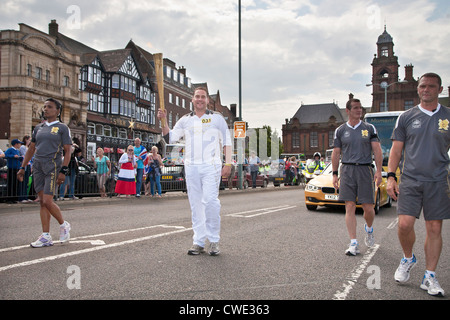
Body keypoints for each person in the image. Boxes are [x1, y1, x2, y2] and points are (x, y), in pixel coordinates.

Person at [387, 73, 449, 297]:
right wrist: (391, 176)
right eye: (422, 86)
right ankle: (408, 257)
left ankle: (430, 276)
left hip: (438, 180)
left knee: (434, 228)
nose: (426, 90)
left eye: (431, 86)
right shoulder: (405, 117)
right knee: (404, 225)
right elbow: (396, 150)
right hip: (411, 180)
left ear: (439, 89)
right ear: (418, 89)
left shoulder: (448, 117)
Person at [158, 86, 232, 256]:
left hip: (211, 165)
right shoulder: (185, 120)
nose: (199, 99)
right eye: (197, 96)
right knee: (196, 204)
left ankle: (214, 241)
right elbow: (170, 137)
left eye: (203, 97)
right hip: (191, 166)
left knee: (211, 201)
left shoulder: (217, 118)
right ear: (192, 100)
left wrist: (228, 163)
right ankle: (198, 241)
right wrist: (164, 121)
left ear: (207, 100)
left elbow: (227, 141)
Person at [17, 98, 71, 248]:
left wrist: (63, 170)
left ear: (57, 111)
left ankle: (64, 224)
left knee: (47, 201)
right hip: (38, 166)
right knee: (42, 202)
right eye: (45, 107)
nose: (46, 109)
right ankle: (46, 235)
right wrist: (22, 167)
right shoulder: (38, 128)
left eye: (50, 107)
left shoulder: (62, 128)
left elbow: (68, 151)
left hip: (52, 166)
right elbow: (31, 149)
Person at [332, 98, 382, 256]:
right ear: (347, 111)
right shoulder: (340, 130)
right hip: (347, 169)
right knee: (349, 206)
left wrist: (379, 171)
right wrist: (335, 174)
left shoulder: (369, 128)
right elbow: (336, 153)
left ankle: (369, 229)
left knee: (368, 207)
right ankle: (353, 243)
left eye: (360, 108)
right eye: (355, 108)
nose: (359, 110)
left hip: (365, 169)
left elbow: (377, 150)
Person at [5, 139, 23, 203]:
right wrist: (13, 156)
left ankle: (14, 198)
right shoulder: (10, 149)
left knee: (15, 183)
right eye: (19, 144)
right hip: (11, 168)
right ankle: (9, 198)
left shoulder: (17, 151)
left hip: (17, 168)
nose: (20, 145)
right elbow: (6, 155)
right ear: (16, 144)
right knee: (11, 183)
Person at [19, 136, 31, 202]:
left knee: (26, 182)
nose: (30, 141)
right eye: (29, 140)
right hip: (25, 166)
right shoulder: (23, 147)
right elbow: (25, 155)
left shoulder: (28, 147)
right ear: (26, 140)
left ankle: (25, 196)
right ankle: (22, 197)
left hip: (28, 165)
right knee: (23, 182)